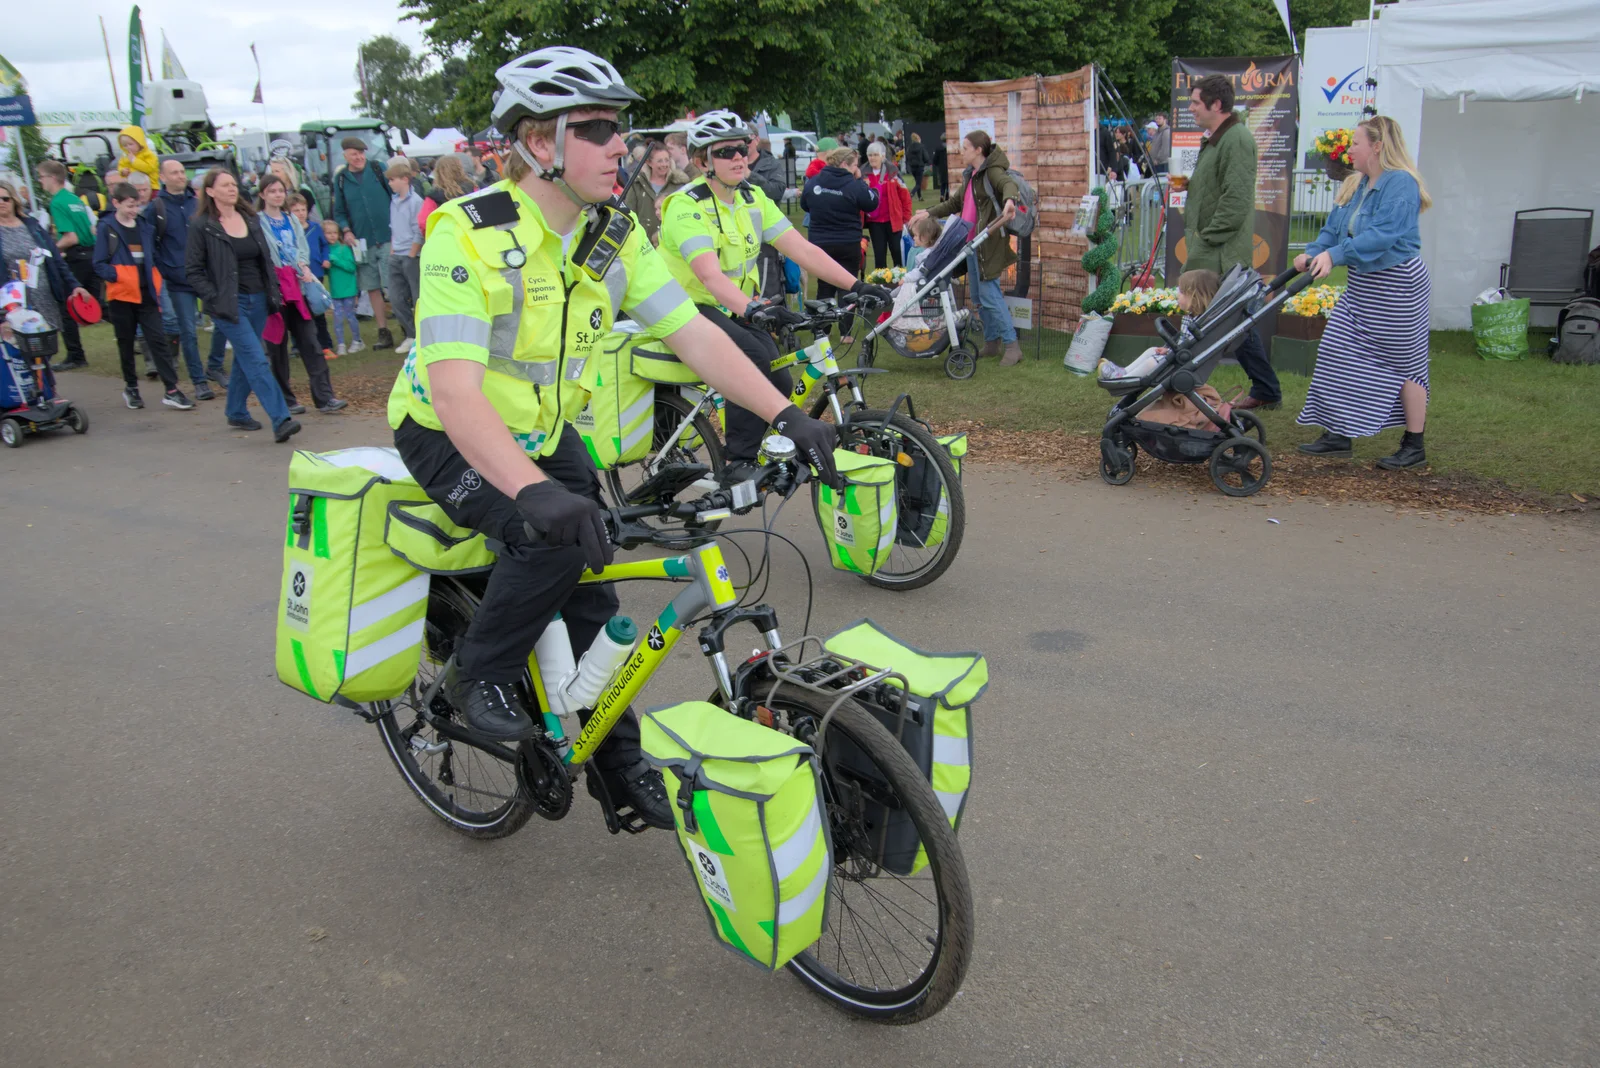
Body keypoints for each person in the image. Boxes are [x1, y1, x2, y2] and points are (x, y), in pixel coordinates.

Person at [386, 48, 841, 828]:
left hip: (547, 429)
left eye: (619, 129)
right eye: (594, 129)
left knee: (593, 573)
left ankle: (618, 766)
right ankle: (478, 671)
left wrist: (787, 415)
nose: (619, 146)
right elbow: (458, 391)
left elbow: (694, 333)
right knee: (550, 540)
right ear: (539, 143)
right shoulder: (466, 233)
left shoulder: (613, 234)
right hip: (449, 431)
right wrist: (531, 493)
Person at [658, 109, 889, 474]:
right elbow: (709, 277)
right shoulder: (687, 206)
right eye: (725, 151)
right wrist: (753, 309)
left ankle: (763, 452)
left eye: (742, 148)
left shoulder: (752, 199)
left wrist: (858, 285)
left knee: (779, 375)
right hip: (686, 304)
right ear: (703, 161)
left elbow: (804, 250)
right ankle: (739, 461)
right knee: (753, 358)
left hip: (733, 306)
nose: (738, 156)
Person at [1294, 115, 1433, 470]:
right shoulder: (1355, 185)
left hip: (1398, 288)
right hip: (1363, 288)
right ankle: (1339, 433)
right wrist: (1312, 253)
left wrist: (1335, 255)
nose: (1349, 149)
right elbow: (1332, 231)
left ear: (1377, 146)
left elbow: (1382, 236)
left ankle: (1414, 445)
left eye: (1355, 142)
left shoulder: (1400, 184)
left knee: (1405, 365)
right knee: (1336, 349)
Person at [1181, 73, 1280, 410]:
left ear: (1216, 104)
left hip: (1221, 250)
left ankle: (1185, 380)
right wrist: (1190, 188)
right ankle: (1267, 388)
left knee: (1226, 321)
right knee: (1233, 322)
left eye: (1196, 102)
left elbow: (1235, 203)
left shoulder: (1236, 139)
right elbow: (1218, 189)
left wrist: (1204, 241)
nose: (1191, 107)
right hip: (1215, 246)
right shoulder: (1217, 139)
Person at [184, 168, 300, 442]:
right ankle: (281, 418)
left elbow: (265, 260)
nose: (232, 189)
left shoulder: (250, 218)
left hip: (258, 299)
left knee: (245, 358)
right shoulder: (203, 225)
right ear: (210, 191)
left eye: (233, 184)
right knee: (257, 357)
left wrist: (272, 293)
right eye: (224, 185)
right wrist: (212, 297)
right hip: (229, 305)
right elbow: (193, 269)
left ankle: (235, 410)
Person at [912, 129, 1023, 365]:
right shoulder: (971, 175)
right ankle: (992, 342)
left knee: (990, 294)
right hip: (972, 245)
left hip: (988, 244)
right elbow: (954, 203)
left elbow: (1008, 184)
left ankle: (1012, 346)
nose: (960, 151)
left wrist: (1010, 201)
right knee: (978, 296)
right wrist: (928, 212)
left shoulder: (992, 171)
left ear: (978, 150)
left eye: (964, 147)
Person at [92, 182, 194, 411]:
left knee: (158, 340)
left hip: (147, 293)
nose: (134, 210)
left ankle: (171, 389)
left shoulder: (145, 226)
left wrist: (156, 274)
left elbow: (153, 255)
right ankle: (131, 387)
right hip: (121, 296)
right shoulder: (106, 227)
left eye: (136, 205)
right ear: (116, 202)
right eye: (129, 206)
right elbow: (98, 263)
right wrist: (118, 275)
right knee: (126, 343)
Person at [256, 174, 346, 415]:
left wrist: (303, 266)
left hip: (298, 287)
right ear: (262, 194)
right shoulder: (257, 222)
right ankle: (286, 400)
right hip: (274, 289)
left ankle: (325, 397)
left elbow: (301, 249)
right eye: (272, 191)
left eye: (280, 190)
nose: (277, 195)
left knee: (310, 342)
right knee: (277, 347)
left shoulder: (291, 220)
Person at [147, 158, 215, 400]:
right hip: (178, 279)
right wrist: (166, 269)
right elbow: (150, 245)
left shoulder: (197, 204)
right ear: (162, 177)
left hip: (205, 275)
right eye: (174, 173)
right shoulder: (156, 208)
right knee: (188, 330)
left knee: (226, 319)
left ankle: (215, 366)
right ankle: (199, 381)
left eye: (181, 172)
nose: (180, 176)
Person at [801, 146, 877, 343]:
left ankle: (822, 330)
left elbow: (804, 204)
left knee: (824, 286)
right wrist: (860, 179)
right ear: (845, 164)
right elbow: (872, 202)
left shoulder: (815, 181)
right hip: (847, 242)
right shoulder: (853, 184)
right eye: (854, 166)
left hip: (820, 243)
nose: (856, 169)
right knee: (847, 286)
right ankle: (846, 332)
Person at [0, 179, 91, 339]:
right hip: (12, 302)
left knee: (46, 346)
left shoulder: (32, 225)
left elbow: (55, 257)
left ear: (13, 200)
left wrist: (74, 284)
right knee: (21, 349)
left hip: (43, 295)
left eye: (5, 198)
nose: (1, 202)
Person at [331, 136, 395, 349]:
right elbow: (339, 212)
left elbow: (395, 197)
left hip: (388, 237)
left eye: (361, 153)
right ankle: (383, 330)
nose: (358, 157)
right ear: (345, 155)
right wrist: (346, 230)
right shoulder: (341, 179)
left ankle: (408, 328)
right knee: (372, 287)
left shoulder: (379, 169)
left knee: (394, 284)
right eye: (353, 154)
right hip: (361, 242)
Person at [36, 160, 98, 370]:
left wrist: (50, 249)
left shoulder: (57, 202)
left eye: (41, 177)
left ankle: (75, 355)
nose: (40, 181)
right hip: (90, 254)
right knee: (99, 305)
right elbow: (91, 230)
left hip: (75, 256)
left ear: (52, 178)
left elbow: (70, 237)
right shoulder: (74, 199)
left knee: (67, 306)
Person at [385, 158, 424, 357]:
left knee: (417, 297)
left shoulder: (417, 202)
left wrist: (412, 253)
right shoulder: (393, 201)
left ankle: (422, 336)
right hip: (396, 254)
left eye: (393, 179)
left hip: (411, 256)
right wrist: (393, 249)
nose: (390, 183)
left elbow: (419, 229)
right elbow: (394, 227)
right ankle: (411, 334)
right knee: (395, 297)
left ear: (405, 179)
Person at [294, 193, 337, 357]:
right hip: (297, 276)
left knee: (317, 309)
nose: (300, 213)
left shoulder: (315, 227)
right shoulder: (290, 230)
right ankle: (300, 345)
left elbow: (324, 246)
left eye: (303, 209)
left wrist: (325, 258)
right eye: (296, 210)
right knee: (299, 312)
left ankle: (324, 344)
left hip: (315, 274)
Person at [622, 142, 686, 245]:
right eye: (660, 161)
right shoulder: (637, 184)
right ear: (649, 162)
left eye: (666, 160)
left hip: (672, 245)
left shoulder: (679, 184)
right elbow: (629, 214)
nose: (664, 164)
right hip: (643, 245)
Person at [861, 141, 911, 269]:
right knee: (879, 255)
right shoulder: (862, 174)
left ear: (883, 156)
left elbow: (905, 196)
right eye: (870, 155)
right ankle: (880, 285)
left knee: (897, 253)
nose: (872, 158)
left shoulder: (893, 172)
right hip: (874, 221)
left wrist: (906, 218)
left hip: (893, 220)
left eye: (875, 155)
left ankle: (899, 283)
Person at [322, 218, 360, 355]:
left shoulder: (344, 248)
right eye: (328, 233)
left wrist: (335, 260)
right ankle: (341, 344)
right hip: (336, 290)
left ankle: (357, 340)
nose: (332, 236)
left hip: (348, 289)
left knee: (350, 315)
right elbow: (327, 271)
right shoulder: (325, 251)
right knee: (337, 318)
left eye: (334, 233)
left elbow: (351, 267)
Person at [418, 154, 477, 230]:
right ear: (460, 169)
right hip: (470, 233)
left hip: (446, 235)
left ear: (438, 172)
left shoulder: (434, 195)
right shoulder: (472, 187)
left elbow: (423, 222)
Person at [747, 137, 786, 203]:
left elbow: (777, 193)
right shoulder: (728, 164)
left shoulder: (772, 164)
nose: (744, 144)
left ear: (757, 140)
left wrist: (750, 175)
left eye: (748, 140)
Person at [905, 132, 928, 201]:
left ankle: (920, 197)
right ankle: (911, 194)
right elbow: (926, 157)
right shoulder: (921, 147)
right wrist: (925, 162)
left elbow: (907, 157)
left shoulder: (909, 148)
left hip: (912, 167)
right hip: (920, 167)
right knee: (918, 183)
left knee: (917, 182)